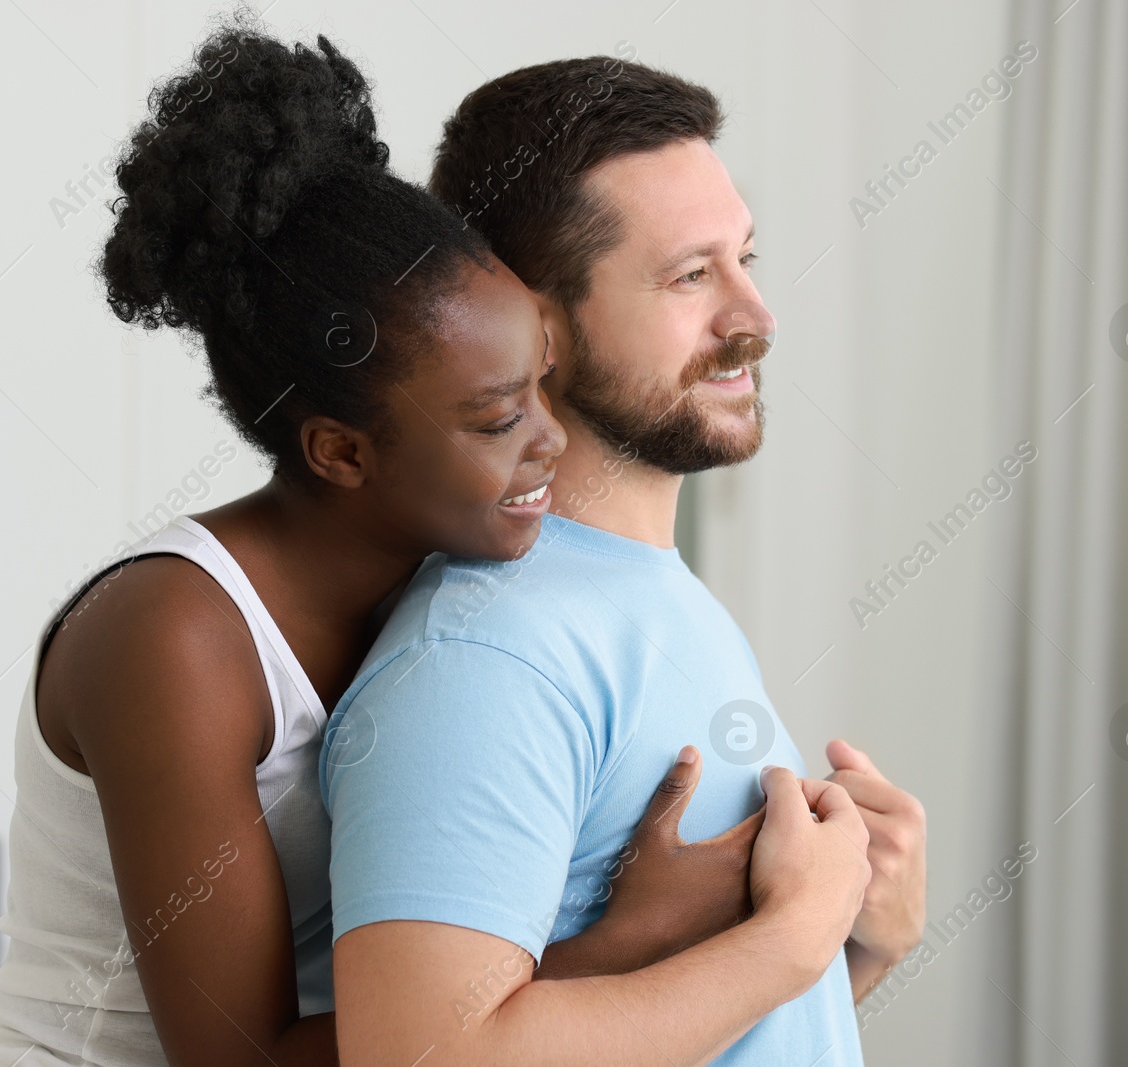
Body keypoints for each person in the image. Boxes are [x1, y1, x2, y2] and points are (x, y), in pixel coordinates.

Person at [0, 22, 789, 1067]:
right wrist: (630, 941)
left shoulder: (454, 590)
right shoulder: (172, 634)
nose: (551, 438)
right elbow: (237, 1057)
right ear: (342, 452)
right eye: (497, 417)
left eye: (544, 381)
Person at [320, 53, 928, 1065]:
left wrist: (860, 944)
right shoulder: (487, 651)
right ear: (538, 329)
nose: (754, 317)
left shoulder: (646, 599)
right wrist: (791, 937)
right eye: (692, 275)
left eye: (746, 260)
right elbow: (418, 1054)